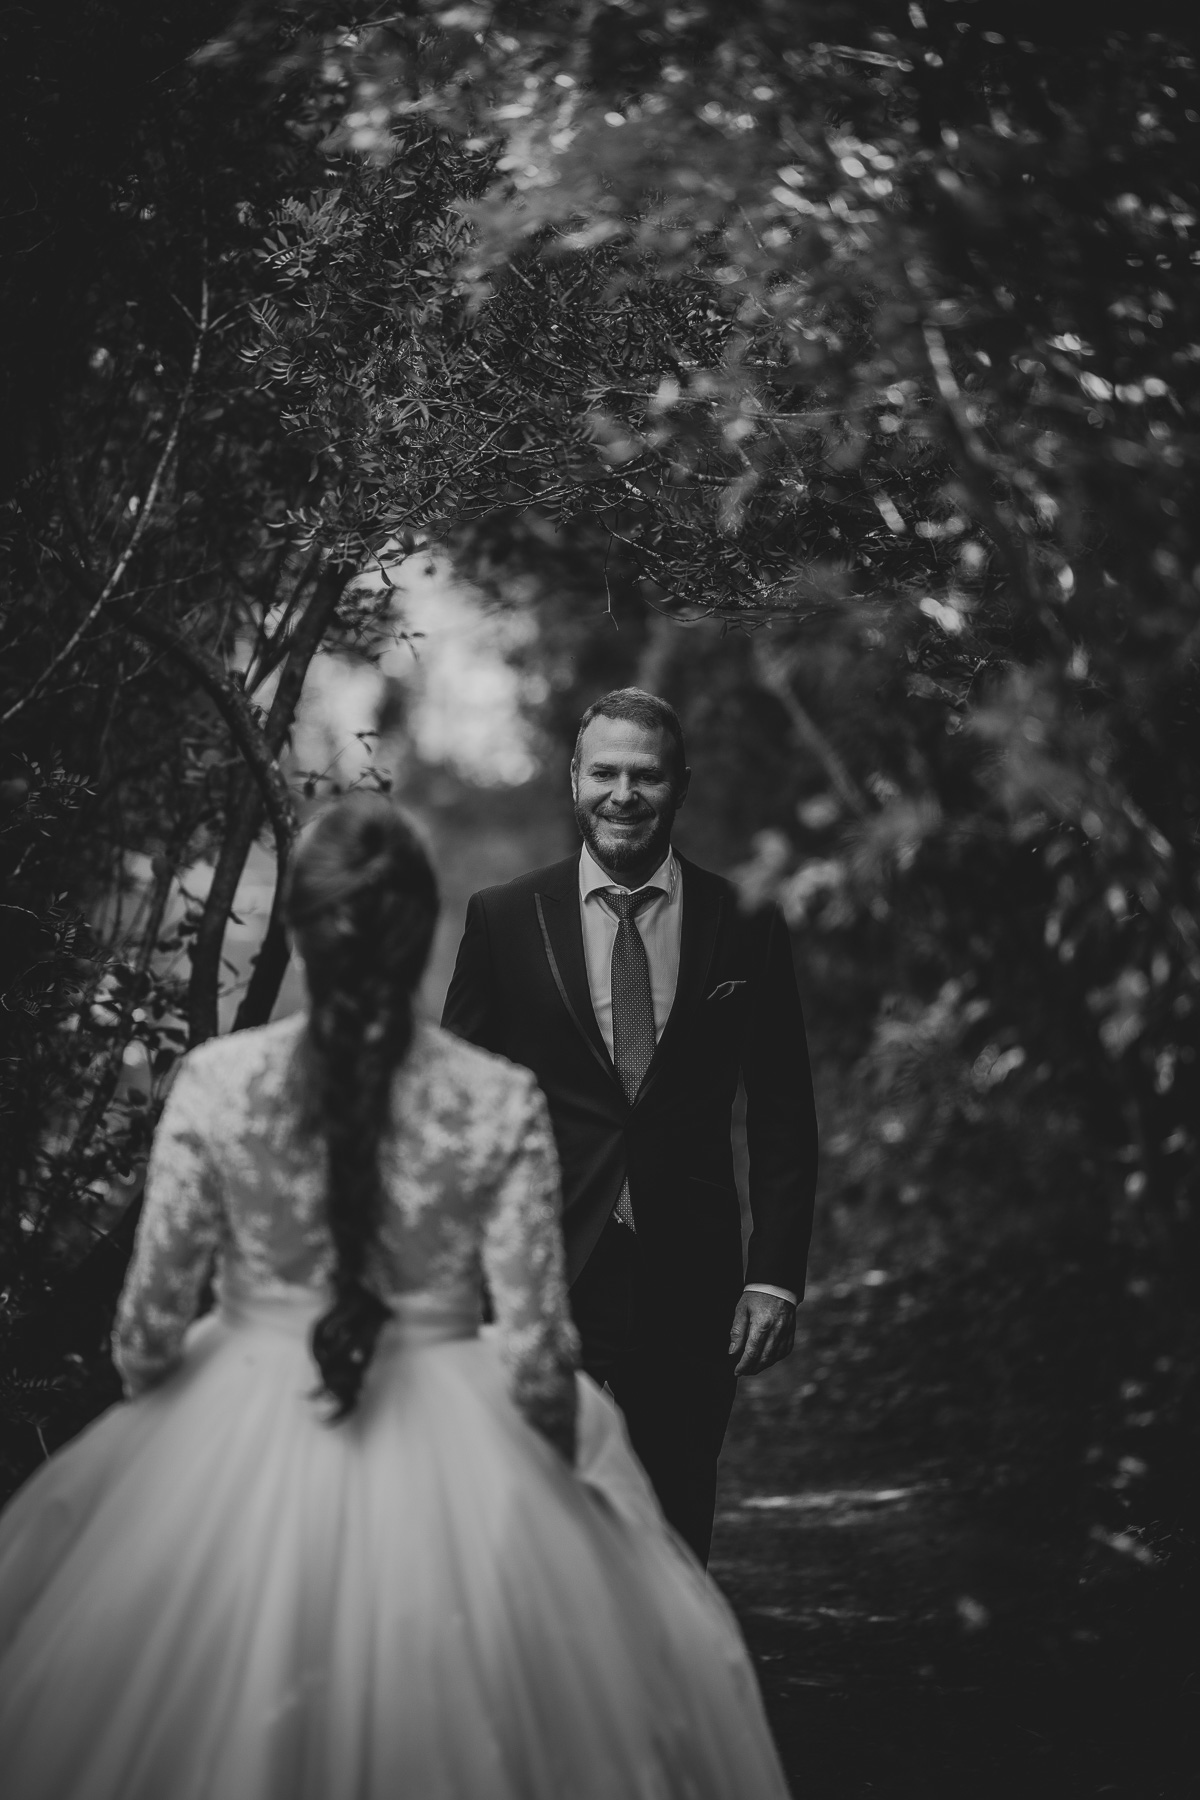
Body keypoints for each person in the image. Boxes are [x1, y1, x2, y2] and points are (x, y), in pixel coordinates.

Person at [0, 792, 790, 1800]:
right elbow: (543, 1364)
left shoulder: (213, 1084)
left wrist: (226, 1355)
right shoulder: (495, 1099)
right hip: (456, 1445)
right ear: (427, 936)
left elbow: (145, 1344)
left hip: (231, 1446)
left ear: (298, 932)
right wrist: (571, 1483)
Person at [443, 688, 819, 1563]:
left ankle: (666, 1688)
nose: (624, 794)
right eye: (604, 772)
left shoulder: (747, 922)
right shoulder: (504, 918)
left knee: (674, 1511)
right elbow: (456, 1102)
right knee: (534, 1509)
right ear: (573, 779)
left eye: (646, 776)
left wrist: (775, 1276)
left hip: (689, 1270)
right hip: (543, 1263)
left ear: (679, 786)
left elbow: (783, 1107)